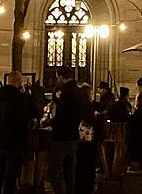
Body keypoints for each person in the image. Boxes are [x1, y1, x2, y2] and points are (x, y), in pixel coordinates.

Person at [0, 71, 33, 194]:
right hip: (15, 141)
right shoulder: (19, 98)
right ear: (18, 82)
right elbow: (29, 114)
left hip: (0, 139)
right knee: (11, 173)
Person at [47, 66, 85, 194]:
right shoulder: (79, 92)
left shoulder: (66, 93)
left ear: (62, 77)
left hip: (61, 136)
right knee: (70, 171)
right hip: (73, 136)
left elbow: (61, 117)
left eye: (58, 77)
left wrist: (50, 122)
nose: (57, 79)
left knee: (55, 170)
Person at [76, 83, 100, 194]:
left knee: (80, 163)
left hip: (80, 138)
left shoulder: (77, 103)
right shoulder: (87, 105)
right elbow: (91, 120)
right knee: (87, 162)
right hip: (87, 138)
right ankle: (86, 186)